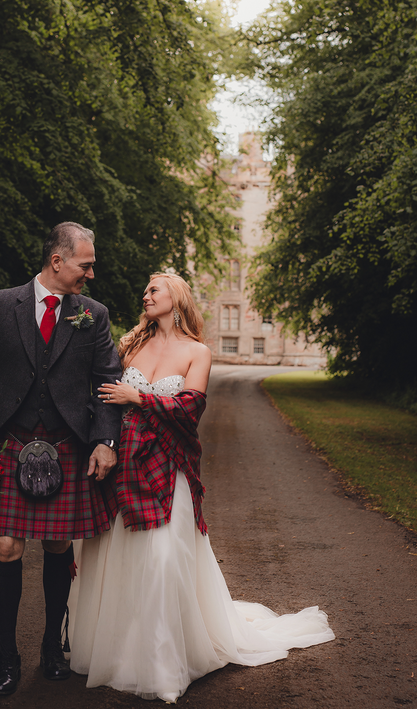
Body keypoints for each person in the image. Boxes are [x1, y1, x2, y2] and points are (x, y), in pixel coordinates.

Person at [68, 273, 335, 703]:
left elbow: (190, 407)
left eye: (154, 289)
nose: (146, 294)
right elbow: (101, 398)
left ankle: (160, 665)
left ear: (176, 298)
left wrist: (138, 399)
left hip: (167, 467)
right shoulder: (131, 346)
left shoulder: (198, 352)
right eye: (146, 289)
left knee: (162, 560)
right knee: (115, 559)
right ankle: (118, 653)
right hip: (124, 466)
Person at [0, 222, 122, 697]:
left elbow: (108, 383)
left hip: (67, 445)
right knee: (6, 548)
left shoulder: (93, 313)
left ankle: (53, 645)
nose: (90, 273)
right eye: (85, 264)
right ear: (57, 261)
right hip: (9, 441)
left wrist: (106, 441)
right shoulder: (0, 304)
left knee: (55, 545)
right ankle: (6, 652)